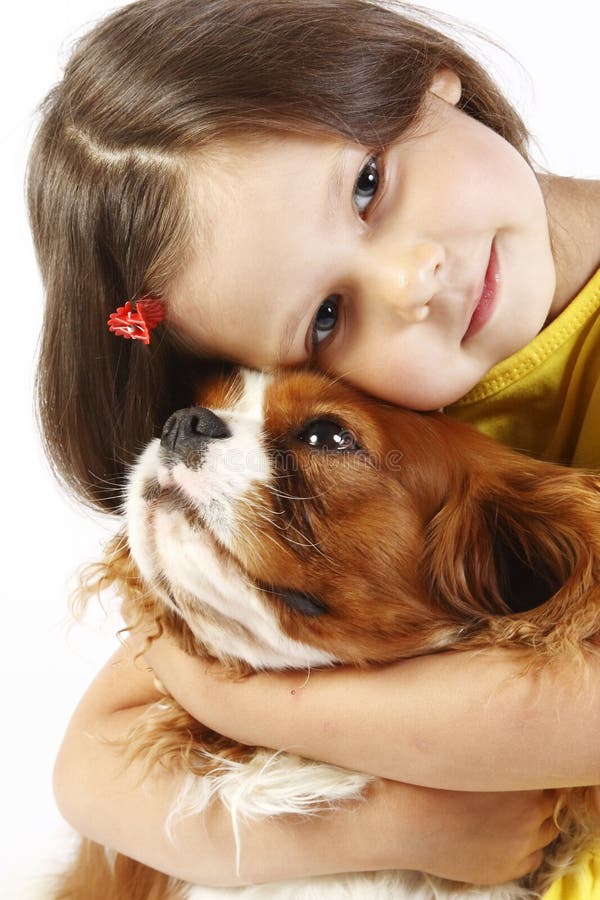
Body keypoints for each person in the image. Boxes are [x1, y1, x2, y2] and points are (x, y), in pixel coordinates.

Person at [27, 0, 599, 894]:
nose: (415, 281)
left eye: (369, 184)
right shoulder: (389, 399)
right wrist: (402, 826)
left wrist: (229, 695)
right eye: (328, 316)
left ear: (421, 77)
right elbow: (89, 771)